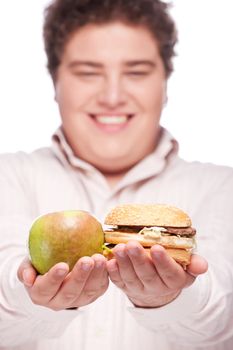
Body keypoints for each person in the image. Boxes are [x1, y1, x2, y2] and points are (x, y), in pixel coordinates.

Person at [0, 0, 233, 349]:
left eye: (137, 72)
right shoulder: (8, 176)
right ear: (54, 81)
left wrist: (170, 301)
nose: (112, 96)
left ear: (165, 83)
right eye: (88, 72)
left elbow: (224, 325)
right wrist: (32, 297)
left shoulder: (223, 188)